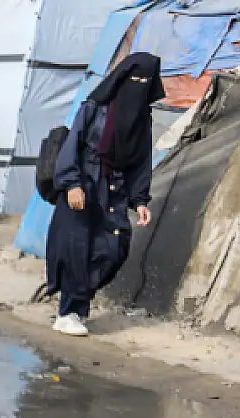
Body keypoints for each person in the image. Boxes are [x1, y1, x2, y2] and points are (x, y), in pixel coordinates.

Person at [45, 53, 161, 337]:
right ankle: (70, 312)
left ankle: (76, 302)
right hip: (84, 182)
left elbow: (141, 162)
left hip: (116, 189)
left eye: (145, 82)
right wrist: (71, 183)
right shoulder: (96, 107)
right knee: (76, 248)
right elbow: (74, 144)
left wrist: (140, 200)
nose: (139, 86)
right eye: (135, 79)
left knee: (112, 248)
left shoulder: (143, 119)